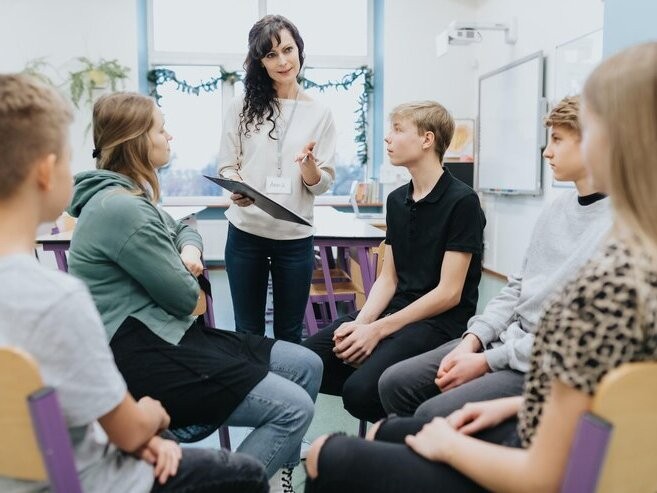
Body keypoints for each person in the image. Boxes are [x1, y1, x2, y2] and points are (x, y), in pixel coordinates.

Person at [303, 42, 657, 493]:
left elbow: (551, 471)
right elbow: (586, 390)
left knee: (330, 454)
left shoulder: (613, 281)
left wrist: (451, 439)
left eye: (585, 129)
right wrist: (504, 397)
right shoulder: (611, 246)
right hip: (551, 418)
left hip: (559, 462)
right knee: (368, 402)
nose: (549, 150)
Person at [0, 74, 268, 493]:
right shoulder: (59, 299)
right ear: (46, 172)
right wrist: (153, 417)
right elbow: (127, 431)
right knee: (244, 476)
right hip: (86, 480)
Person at [66, 91, 321, 492]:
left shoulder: (133, 199)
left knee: (306, 363)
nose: (170, 136)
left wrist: (185, 250)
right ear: (135, 140)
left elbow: (185, 227)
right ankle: (229, 484)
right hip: (146, 349)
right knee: (293, 409)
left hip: (174, 333)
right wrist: (186, 272)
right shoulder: (121, 208)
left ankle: (278, 474)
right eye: (161, 129)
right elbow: (189, 299)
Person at [378, 95, 612, 419]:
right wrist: (473, 339)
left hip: (536, 363)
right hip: (503, 341)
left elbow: (579, 339)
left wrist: (487, 361)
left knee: (429, 411)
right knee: (394, 383)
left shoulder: (618, 226)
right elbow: (517, 287)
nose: (547, 151)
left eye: (557, 139)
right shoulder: (554, 210)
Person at [302, 100, 486, 423]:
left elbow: (449, 293)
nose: (388, 138)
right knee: (305, 361)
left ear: (427, 140)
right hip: (397, 312)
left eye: (398, 130)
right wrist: (362, 325)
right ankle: (392, 399)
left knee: (359, 393)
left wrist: (378, 331)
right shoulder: (396, 200)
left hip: (440, 323)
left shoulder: (463, 201)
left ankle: (403, 425)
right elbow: (389, 279)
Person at [217, 15, 336, 344]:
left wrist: (309, 166)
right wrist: (236, 187)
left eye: (288, 49)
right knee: (247, 332)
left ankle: (289, 395)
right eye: (271, 54)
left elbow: (322, 183)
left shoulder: (320, 112)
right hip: (245, 233)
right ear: (259, 61)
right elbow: (227, 165)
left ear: (299, 50)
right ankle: (254, 395)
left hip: (296, 237)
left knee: (289, 333)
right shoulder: (240, 106)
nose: (283, 61)